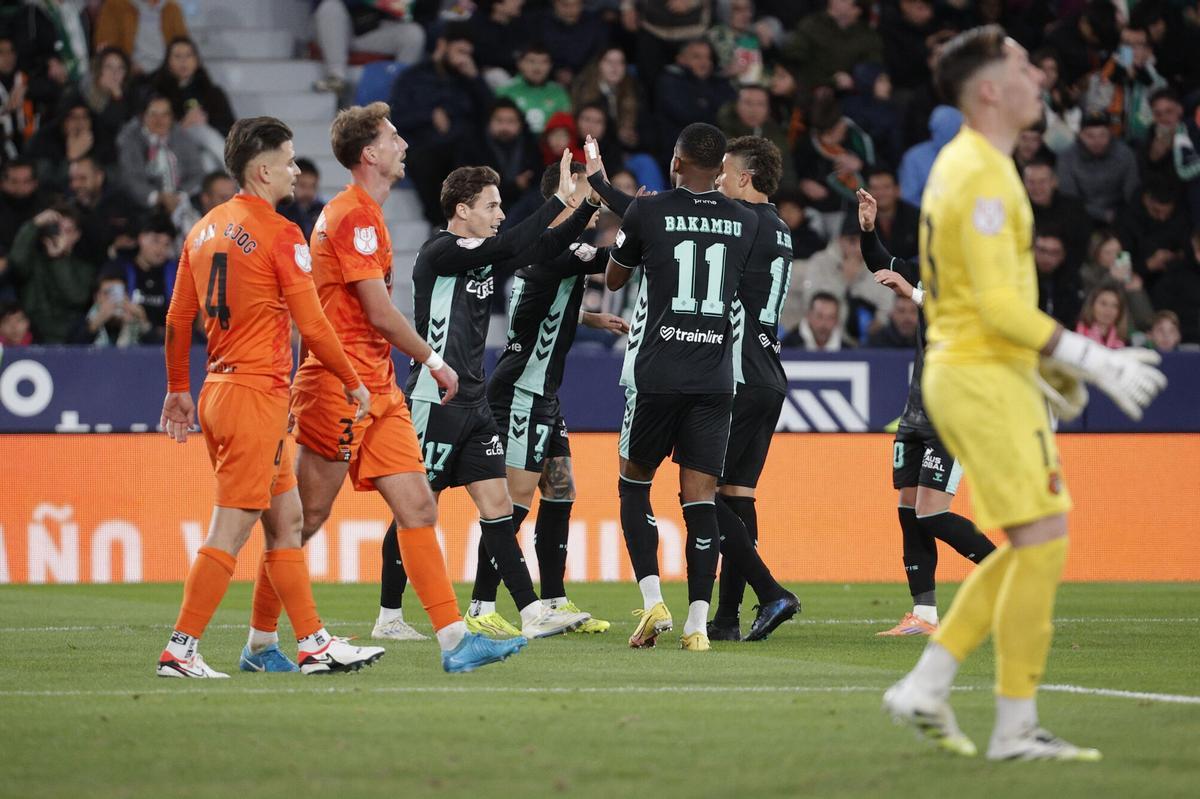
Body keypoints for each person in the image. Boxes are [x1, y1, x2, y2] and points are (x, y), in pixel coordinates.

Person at [883, 25, 1166, 762]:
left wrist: (1042, 370)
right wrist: (1089, 357)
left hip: (983, 369)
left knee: (1037, 541)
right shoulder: (979, 171)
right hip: (978, 373)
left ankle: (941, 687)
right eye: (1020, 67)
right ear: (988, 90)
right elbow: (998, 306)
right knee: (1043, 541)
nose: (1040, 76)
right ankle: (1001, 720)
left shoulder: (979, 164)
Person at [249, 102, 526, 673]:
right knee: (309, 517)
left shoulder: (364, 213)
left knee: (418, 507)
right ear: (370, 153)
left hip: (378, 387)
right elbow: (376, 311)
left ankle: (455, 641)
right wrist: (436, 360)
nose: (404, 143)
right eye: (393, 136)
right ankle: (259, 644)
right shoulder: (352, 214)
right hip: (337, 382)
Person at [156, 115, 382, 678]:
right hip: (255, 396)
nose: (295, 169)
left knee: (286, 520)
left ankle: (311, 645)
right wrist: (353, 379)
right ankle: (180, 650)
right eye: (287, 160)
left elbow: (177, 319)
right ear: (262, 170)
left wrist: (178, 389)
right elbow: (314, 322)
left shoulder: (203, 229)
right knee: (231, 528)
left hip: (220, 390)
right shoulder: (282, 234)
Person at [380, 152, 595, 640]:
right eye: (492, 205)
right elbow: (521, 239)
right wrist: (562, 198)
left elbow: (540, 245)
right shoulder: (441, 252)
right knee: (417, 509)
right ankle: (389, 616)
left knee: (498, 507)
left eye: (501, 206)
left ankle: (531, 611)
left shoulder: (479, 255)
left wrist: (582, 210)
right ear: (461, 210)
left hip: (475, 401)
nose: (500, 215)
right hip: (434, 400)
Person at [605, 122, 759, 652]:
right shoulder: (744, 221)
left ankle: (652, 603)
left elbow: (614, 279)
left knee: (634, 483)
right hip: (716, 379)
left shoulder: (645, 211)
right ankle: (698, 623)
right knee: (700, 499)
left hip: (658, 375)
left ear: (675, 160)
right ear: (720, 169)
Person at [473, 155, 628, 637]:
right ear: (564, 196)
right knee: (512, 503)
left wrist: (589, 318)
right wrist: (644, 224)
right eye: (587, 194)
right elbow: (614, 259)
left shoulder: (556, 251)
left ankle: (555, 598)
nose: (596, 204)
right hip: (520, 390)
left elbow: (543, 298)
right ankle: (480, 605)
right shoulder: (552, 248)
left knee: (560, 491)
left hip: (546, 393)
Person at [855, 187, 995, 637]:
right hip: (916, 412)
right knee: (908, 511)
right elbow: (882, 265)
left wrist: (913, 295)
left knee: (932, 514)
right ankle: (925, 615)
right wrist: (869, 229)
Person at [703, 134, 801, 643]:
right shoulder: (781, 228)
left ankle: (770, 592)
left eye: (723, 173)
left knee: (697, 489)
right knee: (737, 497)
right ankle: (726, 620)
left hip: (737, 375)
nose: (717, 182)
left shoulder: (741, 222)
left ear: (744, 178)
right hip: (770, 376)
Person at [389, 23, 494, 225]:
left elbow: (492, 115)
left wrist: (475, 79)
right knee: (422, 159)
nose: (464, 58)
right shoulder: (413, 77)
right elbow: (399, 116)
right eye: (460, 51)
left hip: (463, 148)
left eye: (468, 53)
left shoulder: (467, 79)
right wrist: (429, 115)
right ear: (442, 45)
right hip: (425, 147)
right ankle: (442, 224)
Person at [7, 204, 94, 343]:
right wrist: (33, 225)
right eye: (57, 229)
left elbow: (76, 297)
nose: (61, 235)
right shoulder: (33, 261)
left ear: (77, 235)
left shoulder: (84, 268)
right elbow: (16, 264)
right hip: (31, 338)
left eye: (67, 230)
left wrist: (59, 259)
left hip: (67, 341)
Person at [150, 36, 236, 173]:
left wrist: (207, 120)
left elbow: (229, 129)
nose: (183, 61)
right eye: (177, 56)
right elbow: (151, 129)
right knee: (199, 129)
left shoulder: (213, 93)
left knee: (207, 160)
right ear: (168, 62)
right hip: (171, 148)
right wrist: (183, 124)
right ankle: (238, 175)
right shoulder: (157, 92)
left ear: (196, 61)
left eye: (188, 55)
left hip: (206, 149)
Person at [116, 93, 206, 214]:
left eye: (165, 114)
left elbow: (196, 172)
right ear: (143, 116)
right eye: (153, 114)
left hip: (183, 199)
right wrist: (159, 197)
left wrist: (180, 195)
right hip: (145, 205)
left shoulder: (182, 137)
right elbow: (132, 178)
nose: (160, 120)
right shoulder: (131, 141)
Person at [311, 0, 425, 95]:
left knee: (414, 34)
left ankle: (401, 90)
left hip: (371, 29)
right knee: (330, 6)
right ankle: (336, 78)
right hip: (337, 28)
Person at [100, 212, 177, 343]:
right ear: (141, 238)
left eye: (167, 244)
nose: (160, 249)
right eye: (156, 240)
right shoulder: (120, 269)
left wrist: (147, 326)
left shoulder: (175, 273)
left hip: (163, 345)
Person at [1055, 112, 1139, 225]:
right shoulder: (1067, 157)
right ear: (1080, 135)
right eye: (1090, 136)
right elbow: (1069, 199)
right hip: (1080, 216)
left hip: (1119, 215)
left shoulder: (1125, 155)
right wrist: (1103, 215)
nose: (1097, 141)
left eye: (1103, 135)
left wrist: (1121, 216)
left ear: (1110, 133)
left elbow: (1132, 194)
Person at [93, 0, 189, 76]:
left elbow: (183, 46)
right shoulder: (114, 6)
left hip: (168, 75)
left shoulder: (172, 8)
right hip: (129, 76)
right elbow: (106, 47)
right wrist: (128, 66)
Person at [496, 44, 571, 136]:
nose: (537, 68)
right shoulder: (505, 91)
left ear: (550, 66)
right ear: (520, 64)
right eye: (531, 61)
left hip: (548, 148)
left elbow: (566, 130)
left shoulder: (559, 93)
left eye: (544, 62)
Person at [781, 291, 849, 350]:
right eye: (819, 316)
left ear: (837, 320)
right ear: (808, 316)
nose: (824, 323)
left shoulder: (848, 352)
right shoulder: (785, 348)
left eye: (831, 318)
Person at [277, 158, 324, 240]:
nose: (308, 192)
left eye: (313, 186)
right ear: (291, 184)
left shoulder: (321, 211)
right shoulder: (281, 211)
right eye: (303, 186)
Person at [1074, 281, 1127, 348]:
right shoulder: (1074, 334)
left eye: (1114, 306)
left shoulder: (1124, 342)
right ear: (1092, 305)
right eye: (1103, 304)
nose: (1108, 310)